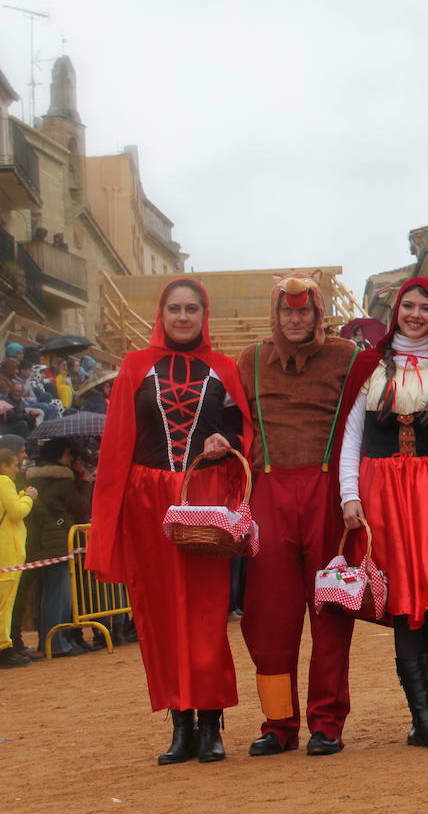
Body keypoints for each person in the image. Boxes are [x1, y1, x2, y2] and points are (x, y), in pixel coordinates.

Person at [88, 278, 250, 764]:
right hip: (147, 503)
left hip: (202, 497)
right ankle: (179, 723)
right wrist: (111, 518)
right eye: (175, 308)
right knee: (157, 616)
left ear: (205, 315)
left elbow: (244, 430)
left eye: (192, 309)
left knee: (206, 614)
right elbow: (118, 442)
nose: (183, 317)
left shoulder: (223, 368)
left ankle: (210, 722)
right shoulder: (136, 366)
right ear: (163, 313)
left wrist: (227, 444)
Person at [337, 277, 428, 750]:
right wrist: (348, 495)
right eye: (408, 306)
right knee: (403, 605)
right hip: (382, 495)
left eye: (425, 308)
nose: (415, 315)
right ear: (397, 310)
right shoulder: (368, 366)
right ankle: (422, 716)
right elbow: (350, 437)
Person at [235, 273, 361, 757]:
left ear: (317, 312)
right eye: (287, 311)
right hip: (269, 491)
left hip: (327, 493)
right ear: (276, 313)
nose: (295, 319)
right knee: (269, 617)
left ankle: (327, 722)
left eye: (304, 311)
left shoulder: (345, 357)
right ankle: (277, 723)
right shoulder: (250, 360)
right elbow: (230, 418)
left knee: (330, 610)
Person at [23, 437, 91, 659]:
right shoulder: (62, 481)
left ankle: (48, 640)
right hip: (59, 541)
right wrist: (88, 482)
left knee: (46, 595)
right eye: (70, 454)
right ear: (62, 454)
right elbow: (80, 507)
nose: (72, 459)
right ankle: (58, 643)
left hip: (38, 541)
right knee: (58, 595)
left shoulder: (34, 479)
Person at [0, 447, 36, 668]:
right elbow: (16, 512)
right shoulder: (4, 482)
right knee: (5, 604)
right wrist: (29, 499)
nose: (17, 469)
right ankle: (4, 649)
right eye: (14, 465)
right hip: (7, 553)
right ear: (4, 465)